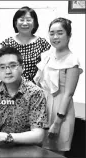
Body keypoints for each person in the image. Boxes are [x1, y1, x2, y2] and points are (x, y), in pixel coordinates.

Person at [0, 46, 48, 145]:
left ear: (22, 67)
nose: (7, 71)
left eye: (12, 66)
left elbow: (39, 136)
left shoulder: (35, 93)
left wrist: (5, 137)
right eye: (2, 67)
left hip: (25, 150)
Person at [34, 17, 83, 155]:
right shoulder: (47, 56)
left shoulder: (72, 60)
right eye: (52, 33)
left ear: (69, 35)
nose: (55, 37)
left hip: (61, 112)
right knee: (39, 150)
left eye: (60, 33)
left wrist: (57, 123)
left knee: (55, 152)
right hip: (43, 108)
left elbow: (68, 94)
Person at [0, 6, 51, 82]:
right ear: (15, 23)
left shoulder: (42, 44)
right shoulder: (7, 44)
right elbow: (1, 68)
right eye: (21, 20)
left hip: (36, 88)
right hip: (12, 87)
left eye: (28, 20)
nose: (25, 23)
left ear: (34, 23)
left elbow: (48, 70)